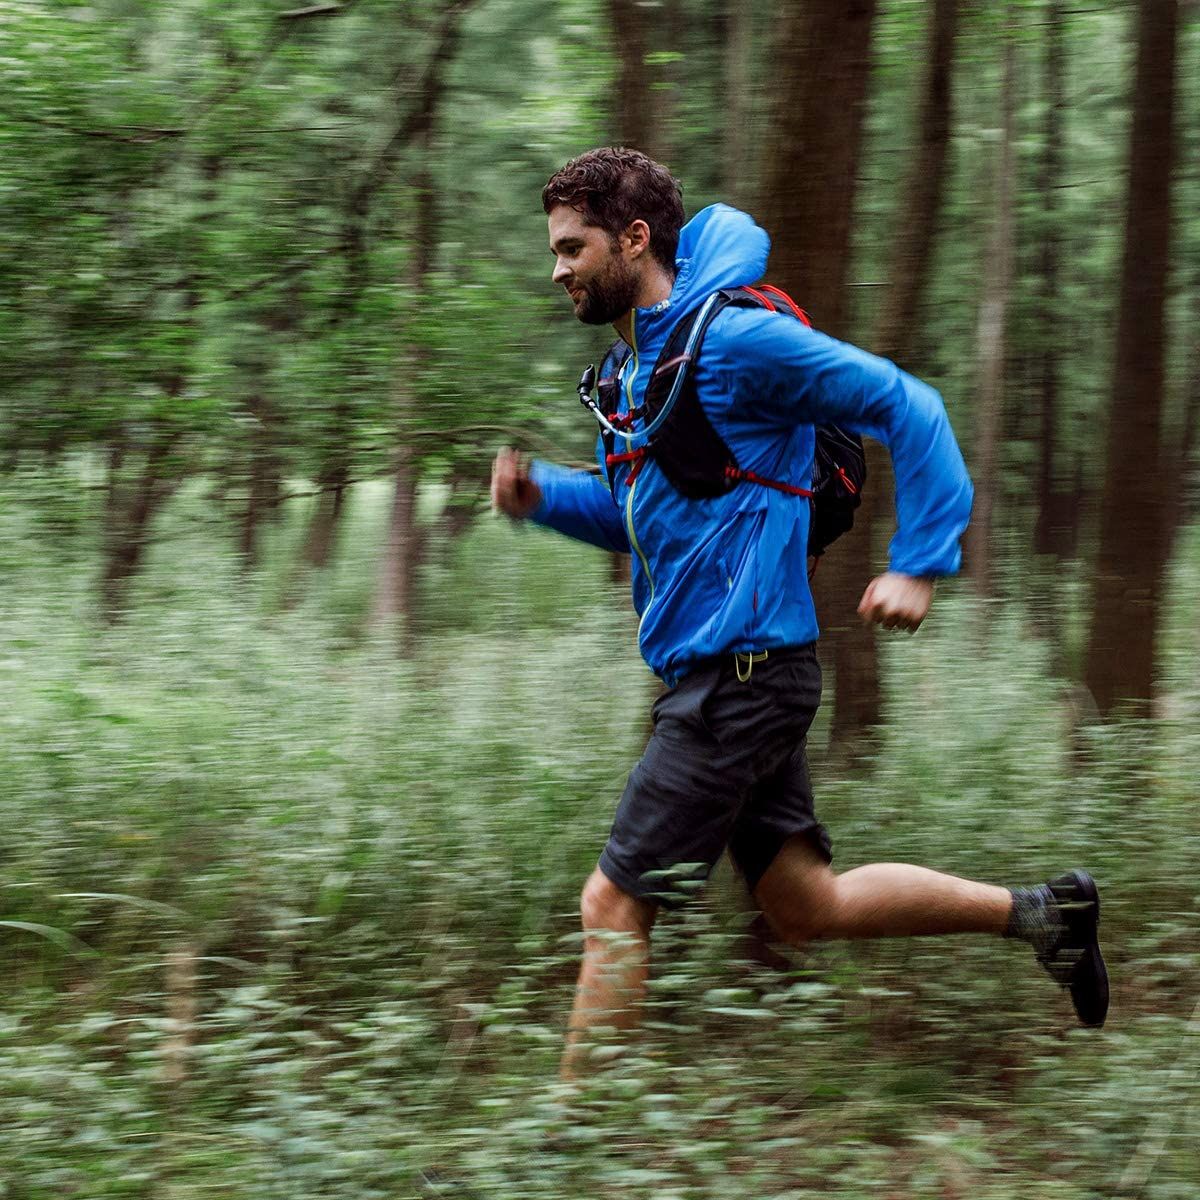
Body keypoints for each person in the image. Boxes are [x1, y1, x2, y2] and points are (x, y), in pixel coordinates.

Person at [491, 147, 1108, 1081]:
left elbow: (907, 404)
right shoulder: (634, 375)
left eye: (572, 248)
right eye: (555, 251)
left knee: (611, 907)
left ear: (635, 238)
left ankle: (571, 1144)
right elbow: (640, 519)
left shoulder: (735, 345)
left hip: (738, 683)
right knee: (806, 907)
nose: (558, 269)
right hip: (743, 677)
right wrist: (542, 498)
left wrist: (920, 562)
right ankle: (1046, 914)